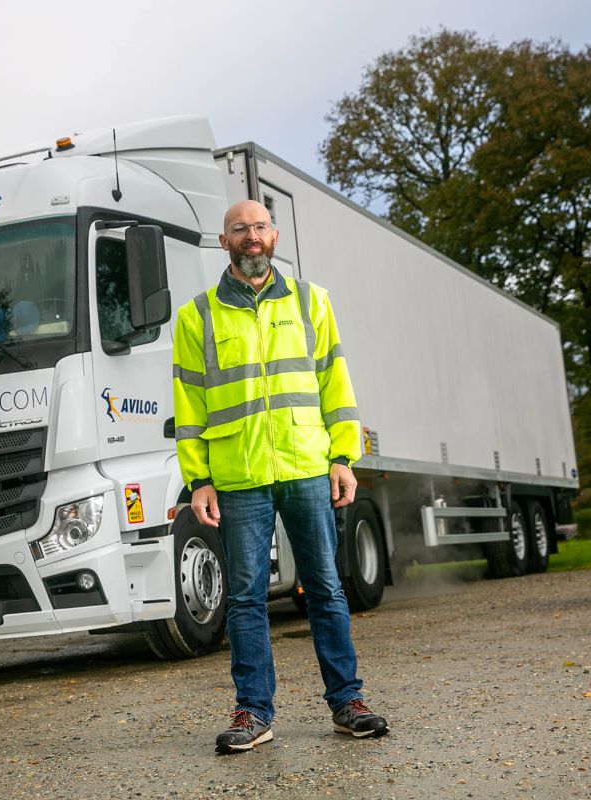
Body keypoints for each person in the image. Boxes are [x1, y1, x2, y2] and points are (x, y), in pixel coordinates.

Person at [172, 199, 387, 754]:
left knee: (325, 588)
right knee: (244, 598)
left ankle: (348, 702)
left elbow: (335, 384)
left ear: (274, 236)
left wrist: (343, 457)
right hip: (238, 475)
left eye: (260, 227)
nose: (251, 236)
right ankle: (254, 713)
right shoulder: (197, 316)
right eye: (239, 229)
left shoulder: (312, 302)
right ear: (223, 242)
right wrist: (199, 479)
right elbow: (190, 405)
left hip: (307, 466)